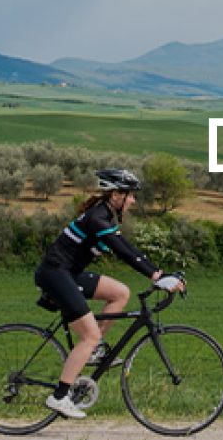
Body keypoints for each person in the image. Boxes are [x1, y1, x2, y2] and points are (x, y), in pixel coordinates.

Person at [35, 167, 184, 419]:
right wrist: (157, 275)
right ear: (115, 195)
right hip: (55, 274)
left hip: (67, 274)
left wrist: (158, 272)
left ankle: (94, 349)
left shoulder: (104, 216)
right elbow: (123, 250)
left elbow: (124, 246)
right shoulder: (97, 218)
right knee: (89, 335)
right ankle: (59, 396)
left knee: (120, 293)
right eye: (130, 195)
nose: (134, 200)